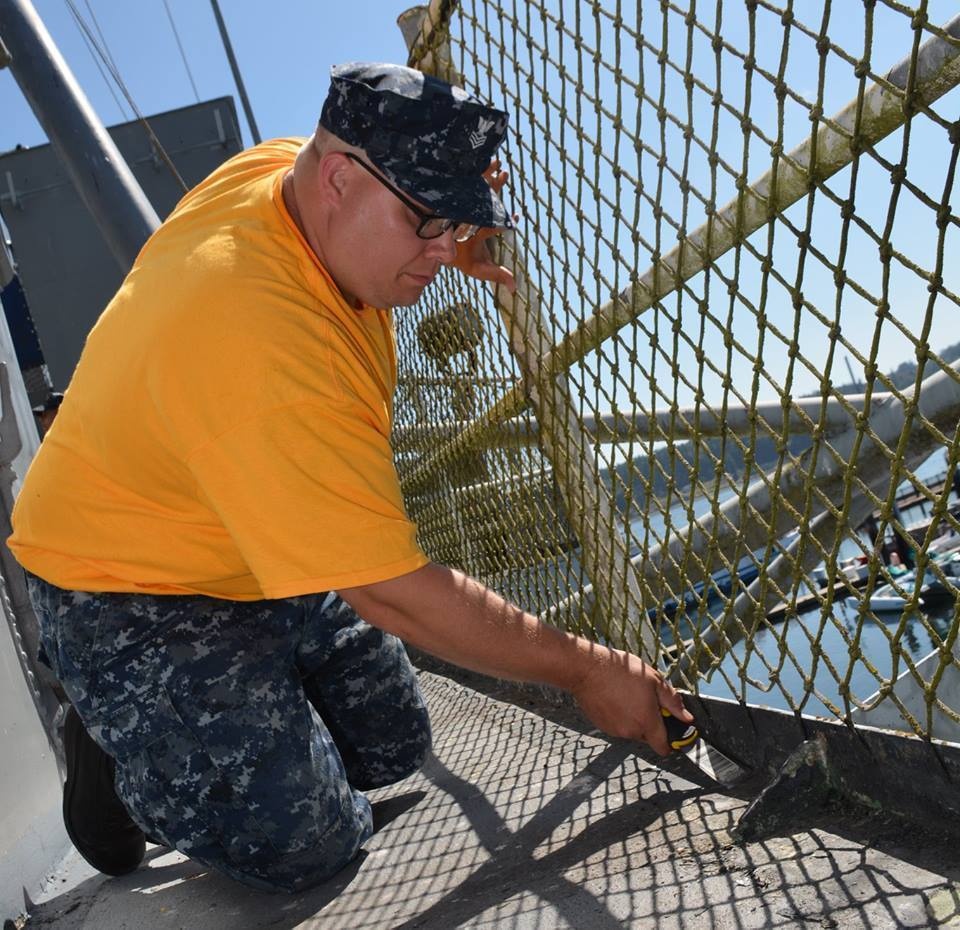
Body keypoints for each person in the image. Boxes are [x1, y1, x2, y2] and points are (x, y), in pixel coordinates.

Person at [7, 62, 691, 893]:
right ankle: (117, 747)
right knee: (308, 843)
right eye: (425, 223)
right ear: (338, 179)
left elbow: (379, 194)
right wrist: (588, 667)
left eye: (454, 222)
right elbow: (392, 589)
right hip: (125, 589)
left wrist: (445, 222)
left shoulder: (280, 170)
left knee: (396, 748)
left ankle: (235, 706)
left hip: (239, 537)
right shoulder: (258, 341)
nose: (441, 254)